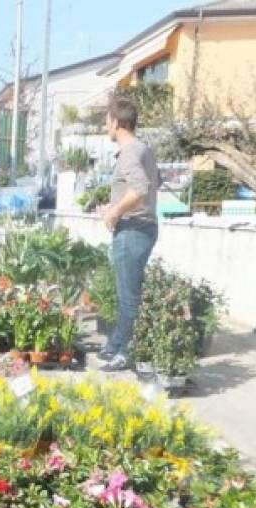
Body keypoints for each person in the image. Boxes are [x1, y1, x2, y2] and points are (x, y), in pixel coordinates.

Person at [99, 96, 160, 372]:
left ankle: (125, 352)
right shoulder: (143, 149)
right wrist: (114, 205)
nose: (105, 126)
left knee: (128, 295)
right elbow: (149, 184)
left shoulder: (130, 152)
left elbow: (141, 188)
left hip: (133, 229)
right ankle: (117, 343)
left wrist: (115, 212)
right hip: (141, 226)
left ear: (116, 122)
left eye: (107, 120)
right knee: (128, 292)